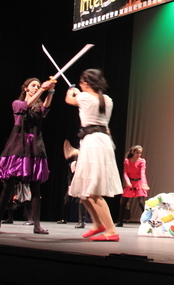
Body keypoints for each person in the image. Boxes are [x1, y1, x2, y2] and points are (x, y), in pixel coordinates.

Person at [0, 77, 55, 234]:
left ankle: (37, 225)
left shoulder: (37, 108)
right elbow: (26, 105)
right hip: (18, 146)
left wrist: (51, 91)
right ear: (25, 88)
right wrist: (43, 89)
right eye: (33, 85)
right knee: (9, 186)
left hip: (34, 146)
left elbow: (45, 108)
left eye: (38, 85)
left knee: (36, 187)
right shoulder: (17, 104)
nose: (36, 87)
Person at [65, 69, 122, 241]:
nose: (80, 84)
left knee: (93, 192)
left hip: (93, 143)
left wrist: (71, 91)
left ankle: (111, 231)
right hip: (102, 141)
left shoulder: (84, 97)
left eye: (82, 82)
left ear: (86, 83)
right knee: (81, 190)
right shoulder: (108, 100)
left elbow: (69, 100)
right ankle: (98, 224)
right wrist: (79, 93)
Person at [116, 145, 149, 227]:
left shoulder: (142, 161)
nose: (139, 155)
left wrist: (144, 183)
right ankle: (120, 221)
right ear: (133, 152)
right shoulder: (127, 161)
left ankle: (148, 221)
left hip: (139, 183)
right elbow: (125, 173)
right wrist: (127, 181)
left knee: (141, 202)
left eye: (140, 153)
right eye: (137, 153)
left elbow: (142, 173)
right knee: (123, 202)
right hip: (130, 183)